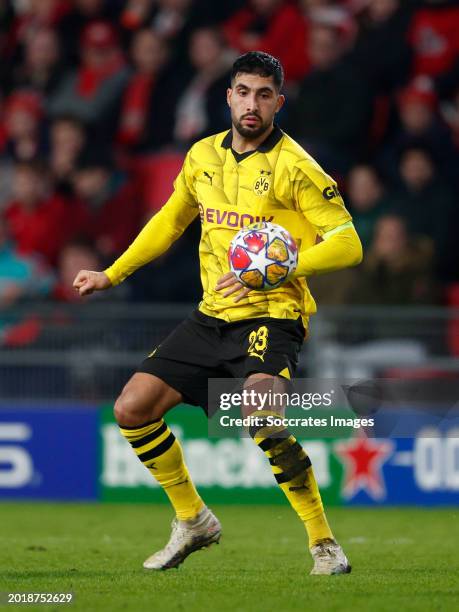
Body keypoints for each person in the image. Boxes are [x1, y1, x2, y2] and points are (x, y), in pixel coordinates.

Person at [73, 51, 362, 575]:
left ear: (279, 101)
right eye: (244, 92)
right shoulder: (203, 156)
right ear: (228, 95)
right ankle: (193, 520)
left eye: (264, 94)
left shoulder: (297, 167)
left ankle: (323, 543)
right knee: (131, 408)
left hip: (273, 313)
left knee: (260, 415)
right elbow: (169, 221)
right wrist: (111, 273)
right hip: (213, 315)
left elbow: (348, 244)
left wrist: (283, 267)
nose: (253, 104)